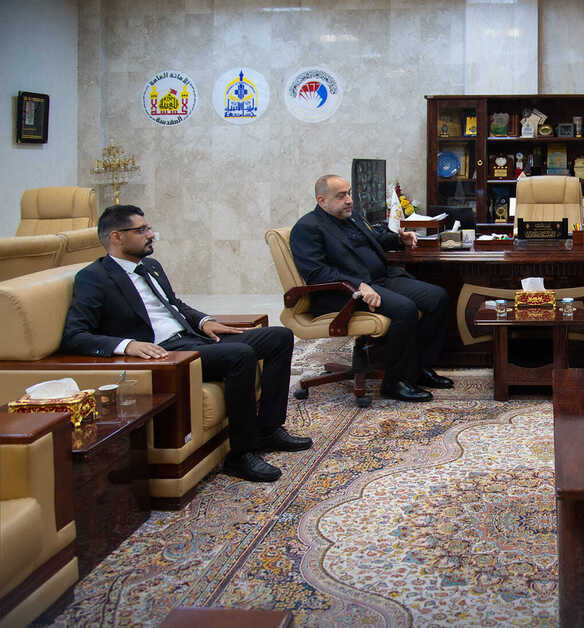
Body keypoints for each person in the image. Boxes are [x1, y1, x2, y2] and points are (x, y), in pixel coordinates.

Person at [61, 205, 310, 483]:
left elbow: (174, 304)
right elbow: (74, 336)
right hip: (167, 353)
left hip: (192, 338)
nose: (151, 234)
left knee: (279, 337)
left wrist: (204, 321)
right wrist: (127, 345)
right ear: (116, 237)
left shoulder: (150, 267)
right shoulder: (94, 278)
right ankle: (240, 455)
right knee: (240, 355)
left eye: (148, 228)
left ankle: (268, 429)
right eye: (141, 230)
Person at [289, 174, 452, 402]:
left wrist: (400, 240)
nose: (349, 200)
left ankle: (419, 368)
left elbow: (375, 239)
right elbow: (317, 273)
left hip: (380, 280)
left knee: (437, 297)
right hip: (344, 293)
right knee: (404, 309)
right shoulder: (307, 228)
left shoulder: (352, 217)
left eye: (348, 193)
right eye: (341, 196)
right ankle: (394, 382)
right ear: (322, 200)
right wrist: (357, 285)